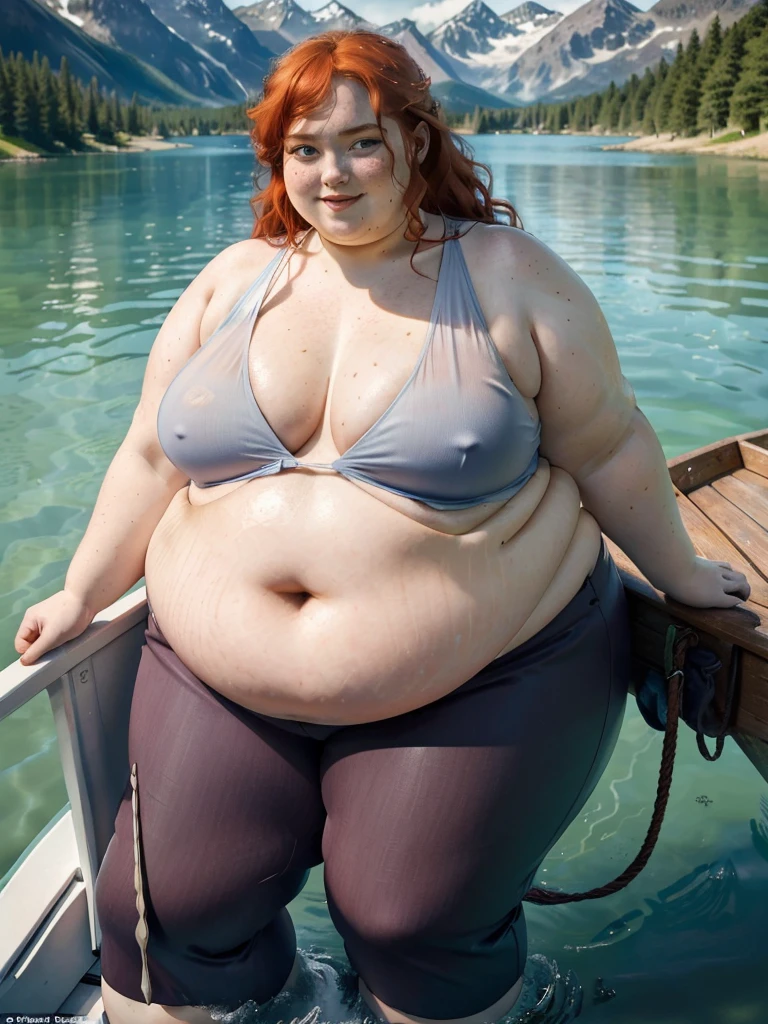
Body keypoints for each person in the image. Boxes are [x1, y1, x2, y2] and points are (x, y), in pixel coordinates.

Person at [15, 29, 750, 1024]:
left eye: (359, 142)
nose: (331, 173)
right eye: (303, 148)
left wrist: (681, 574)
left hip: (495, 666)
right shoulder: (233, 280)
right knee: (166, 913)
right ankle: (293, 999)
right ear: (275, 158)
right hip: (220, 678)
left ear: (414, 139)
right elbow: (149, 454)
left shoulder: (510, 276)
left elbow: (613, 448)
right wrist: (80, 593)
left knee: (412, 917)